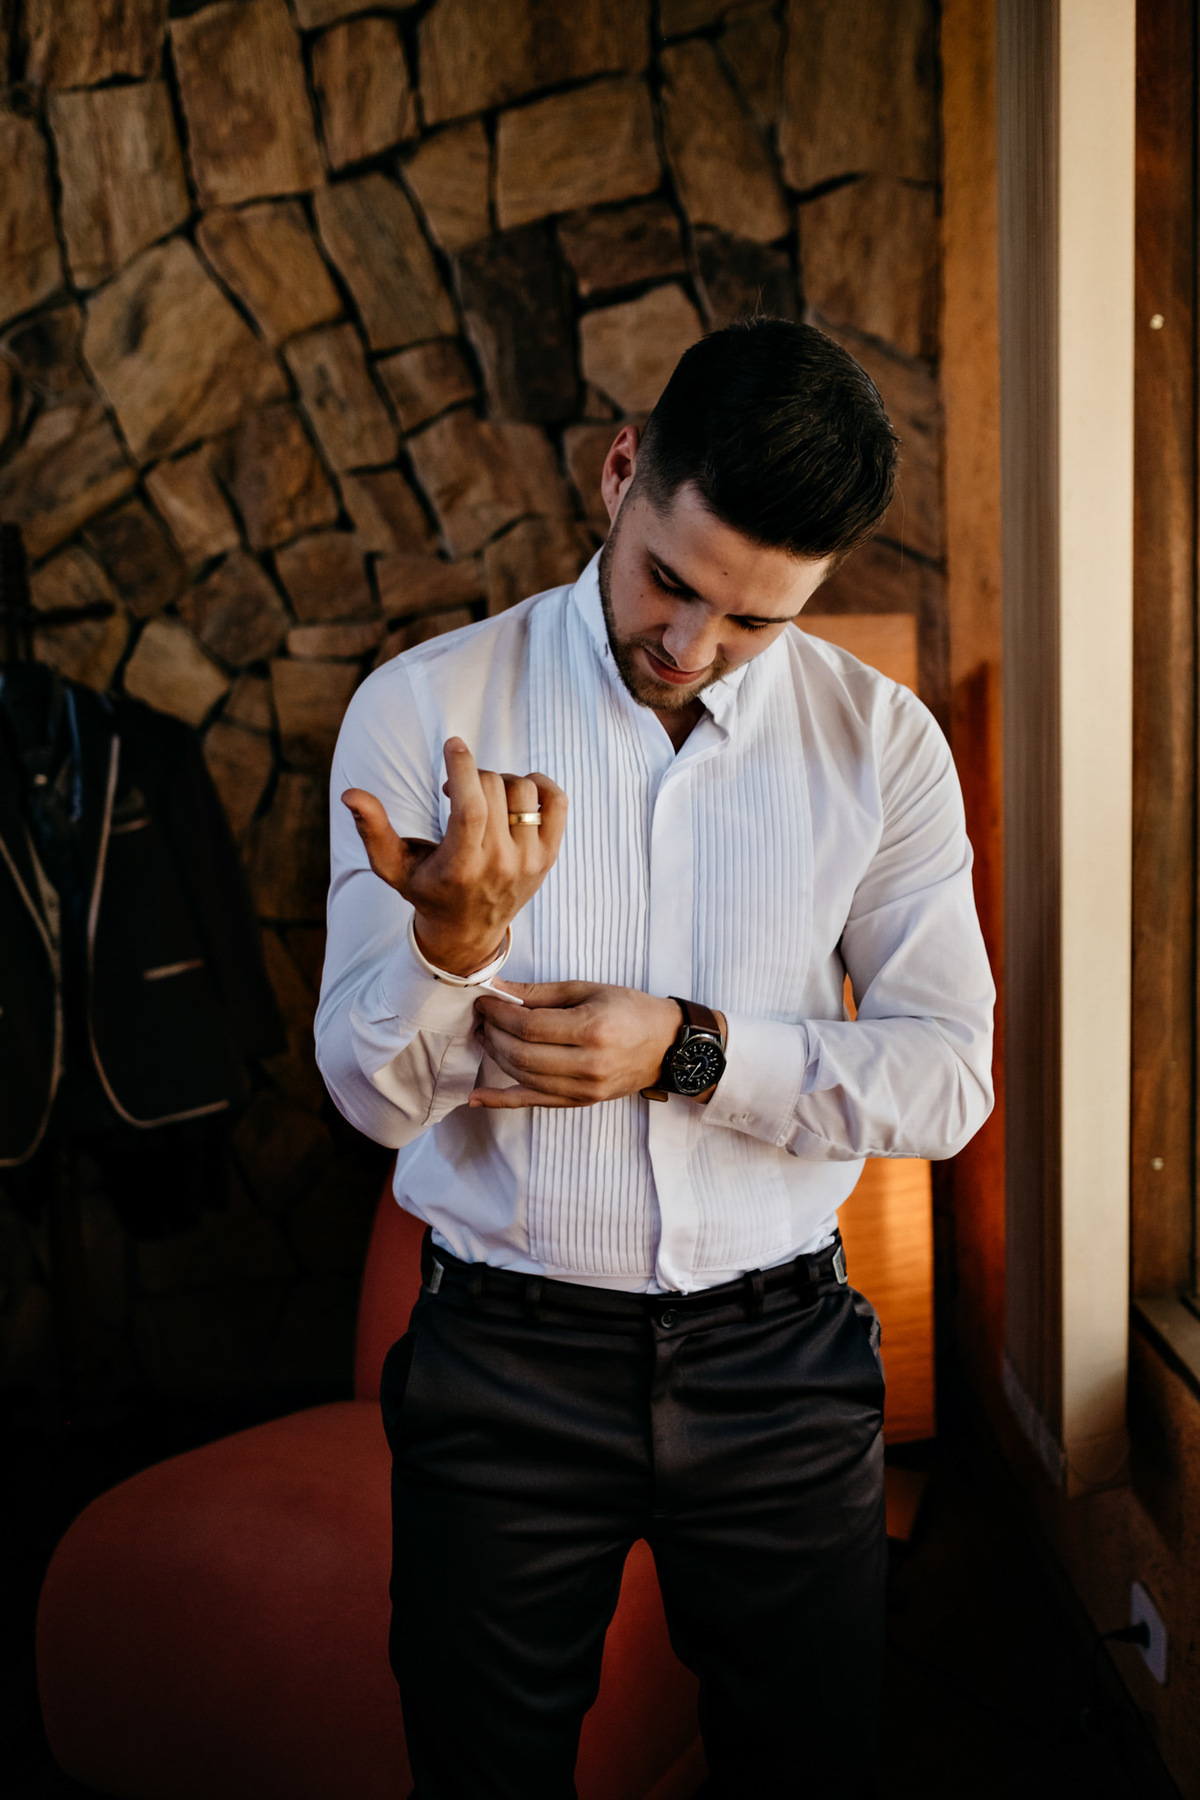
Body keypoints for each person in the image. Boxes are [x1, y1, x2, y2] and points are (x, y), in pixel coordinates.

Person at [315, 317, 995, 1799]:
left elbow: (946, 1079)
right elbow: (370, 1100)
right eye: (670, 582)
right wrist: (450, 954)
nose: (691, 646)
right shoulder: (424, 712)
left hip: (784, 1364)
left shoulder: (883, 747)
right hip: (503, 1364)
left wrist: (688, 1051)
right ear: (622, 473)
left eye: (755, 620)